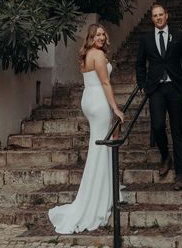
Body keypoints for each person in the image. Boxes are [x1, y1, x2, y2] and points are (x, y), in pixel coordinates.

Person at [48, 23, 125, 234]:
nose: (101, 37)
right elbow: (106, 84)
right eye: (97, 34)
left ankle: (104, 189)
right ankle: (97, 197)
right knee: (102, 146)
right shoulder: (98, 56)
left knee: (98, 146)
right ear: (91, 37)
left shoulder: (86, 55)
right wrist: (116, 108)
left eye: (103, 34)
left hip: (89, 99)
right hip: (99, 101)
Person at [136, 3, 182, 191]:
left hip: (176, 88)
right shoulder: (146, 39)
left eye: (161, 14)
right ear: (151, 18)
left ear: (166, 16)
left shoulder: (177, 35)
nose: (158, 18)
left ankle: (180, 174)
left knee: (178, 130)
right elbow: (139, 64)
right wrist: (143, 85)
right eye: (155, 15)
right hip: (156, 90)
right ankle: (165, 155)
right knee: (158, 125)